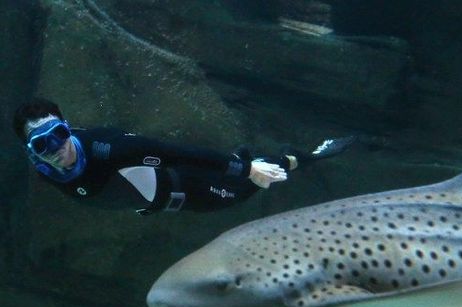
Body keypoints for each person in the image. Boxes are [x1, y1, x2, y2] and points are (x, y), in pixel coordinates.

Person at [13, 98, 355, 215]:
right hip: (151, 199)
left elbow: (176, 153)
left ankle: (301, 157)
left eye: (58, 134)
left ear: (67, 127)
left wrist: (247, 169)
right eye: (43, 145)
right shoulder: (46, 171)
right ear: (33, 156)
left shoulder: (111, 150)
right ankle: (246, 159)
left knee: (237, 194)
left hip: (184, 185)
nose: (57, 147)